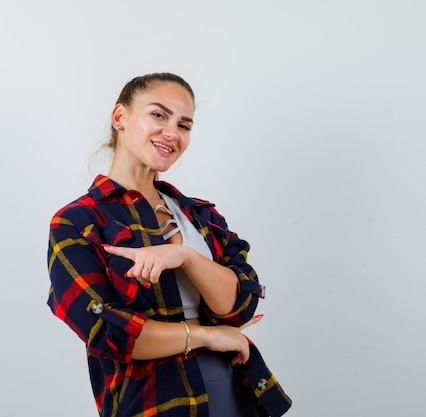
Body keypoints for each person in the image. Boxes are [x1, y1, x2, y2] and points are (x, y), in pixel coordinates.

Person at [46, 73, 291, 417]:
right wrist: (206, 335)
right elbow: (106, 331)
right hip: (154, 404)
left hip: (238, 392)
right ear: (120, 118)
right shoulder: (78, 221)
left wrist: (186, 257)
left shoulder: (200, 215)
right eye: (158, 115)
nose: (172, 133)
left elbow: (239, 305)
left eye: (184, 125)